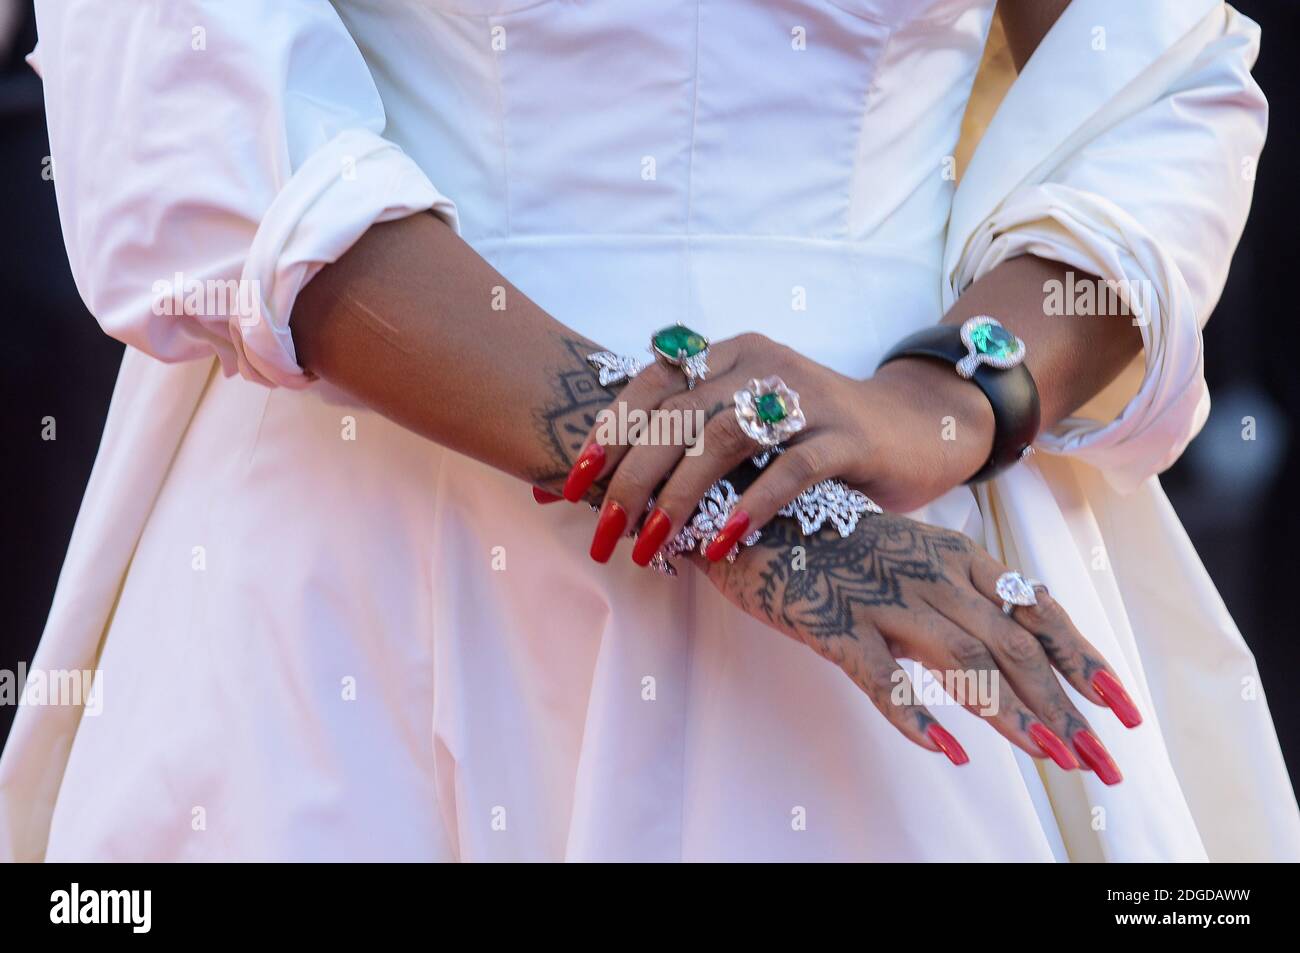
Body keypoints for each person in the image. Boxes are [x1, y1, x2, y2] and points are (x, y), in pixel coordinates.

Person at [3, 0, 1297, 861]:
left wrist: (947, 399)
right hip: (378, 544)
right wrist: (733, 491)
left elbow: (1158, 77)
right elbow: (183, 99)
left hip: (896, 539)